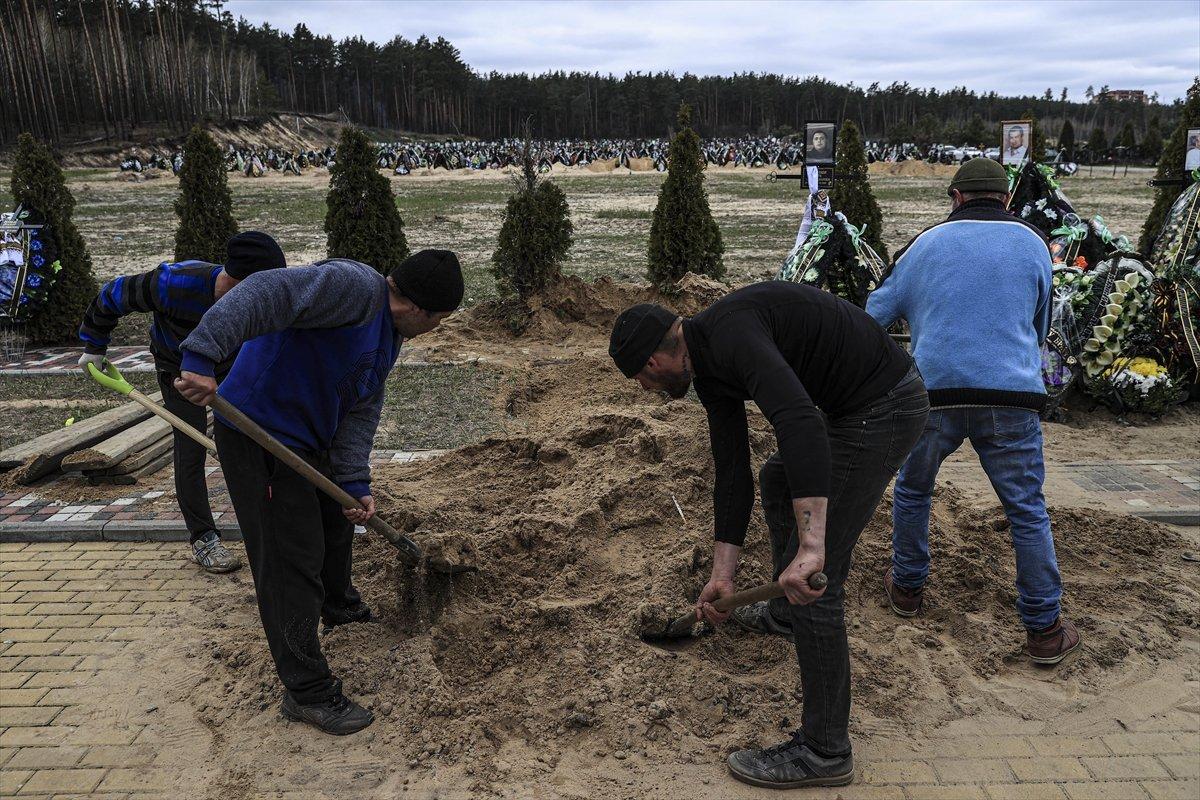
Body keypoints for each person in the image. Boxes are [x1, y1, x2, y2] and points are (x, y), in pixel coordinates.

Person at [609, 283, 927, 789]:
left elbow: (800, 423)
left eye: (640, 381)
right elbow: (731, 469)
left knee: (818, 586)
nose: (646, 392)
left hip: (883, 408)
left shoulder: (733, 336)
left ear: (652, 363)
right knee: (776, 479)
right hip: (852, 407)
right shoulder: (708, 362)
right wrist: (722, 577)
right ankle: (782, 615)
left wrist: (811, 548)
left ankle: (825, 750)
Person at [174, 250, 462, 736]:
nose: (437, 329)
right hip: (258, 433)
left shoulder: (390, 337)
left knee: (335, 523)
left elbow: (360, 408)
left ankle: (340, 607)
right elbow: (264, 291)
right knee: (291, 558)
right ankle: (306, 690)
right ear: (420, 309)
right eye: (440, 321)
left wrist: (353, 483)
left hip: (310, 439)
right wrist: (201, 354)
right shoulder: (351, 289)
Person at [866, 157, 1081, 666]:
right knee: (1027, 510)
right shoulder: (1033, 244)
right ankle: (1044, 631)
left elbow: (872, 316)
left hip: (933, 396)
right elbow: (1038, 321)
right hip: (1011, 399)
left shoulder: (924, 245)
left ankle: (907, 590)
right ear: (1005, 199)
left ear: (956, 198)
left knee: (914, 492)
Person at [77, 232, 287, 573]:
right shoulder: (174, 283)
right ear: (241, 281)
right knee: (191, 448)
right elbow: (112, 295)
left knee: (250, 444)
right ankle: (204, 538)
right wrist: (93, 346)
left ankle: (269, 531)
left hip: (234, 366)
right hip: (179, 369)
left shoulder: (261, 302)